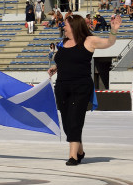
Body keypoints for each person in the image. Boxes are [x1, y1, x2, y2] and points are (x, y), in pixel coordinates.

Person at [49, 13, 123, 166]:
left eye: (66, 26)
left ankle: (73, 156)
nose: (64, 28)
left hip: (81, 86)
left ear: (74, 27)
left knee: (75, 119)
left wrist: (114, 30)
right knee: (67, 122)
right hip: (62, 86)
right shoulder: (63, 42)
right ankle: (80, 151)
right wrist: (56, 67)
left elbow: (109, 42)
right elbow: (66, 60)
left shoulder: (89, 41)